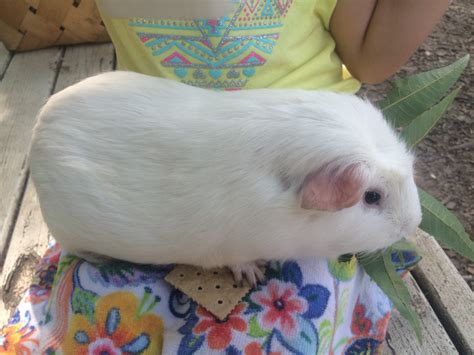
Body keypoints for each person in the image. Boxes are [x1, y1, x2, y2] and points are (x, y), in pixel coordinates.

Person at [0, 1, 450, 353]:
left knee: (294, 328)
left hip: (267, 159)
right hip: (122, 163)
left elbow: (371, 60)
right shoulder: (269, 201)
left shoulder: (332, 141)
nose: (405, 224)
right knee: (86, 325)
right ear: (321, 192)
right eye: (371, 198)